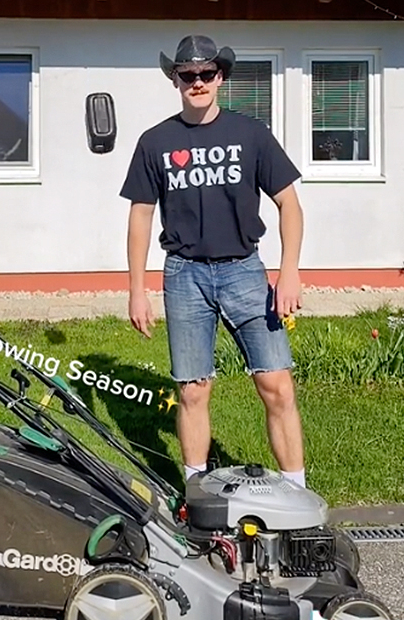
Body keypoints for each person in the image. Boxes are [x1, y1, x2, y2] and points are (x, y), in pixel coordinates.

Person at [119, 34, 309, 489]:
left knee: (277, 385)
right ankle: (196, 494)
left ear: (220, 77)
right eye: (188, 75)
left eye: (206, 74)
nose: (198, 82)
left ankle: (297, 493)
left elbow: (290, 205)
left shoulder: (251, 134)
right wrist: (137, 289)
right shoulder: (155, 142)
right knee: (192, 389)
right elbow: (140, 216)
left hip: (245, 269)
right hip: (184, 276)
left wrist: (289, 273)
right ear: (176, 80)